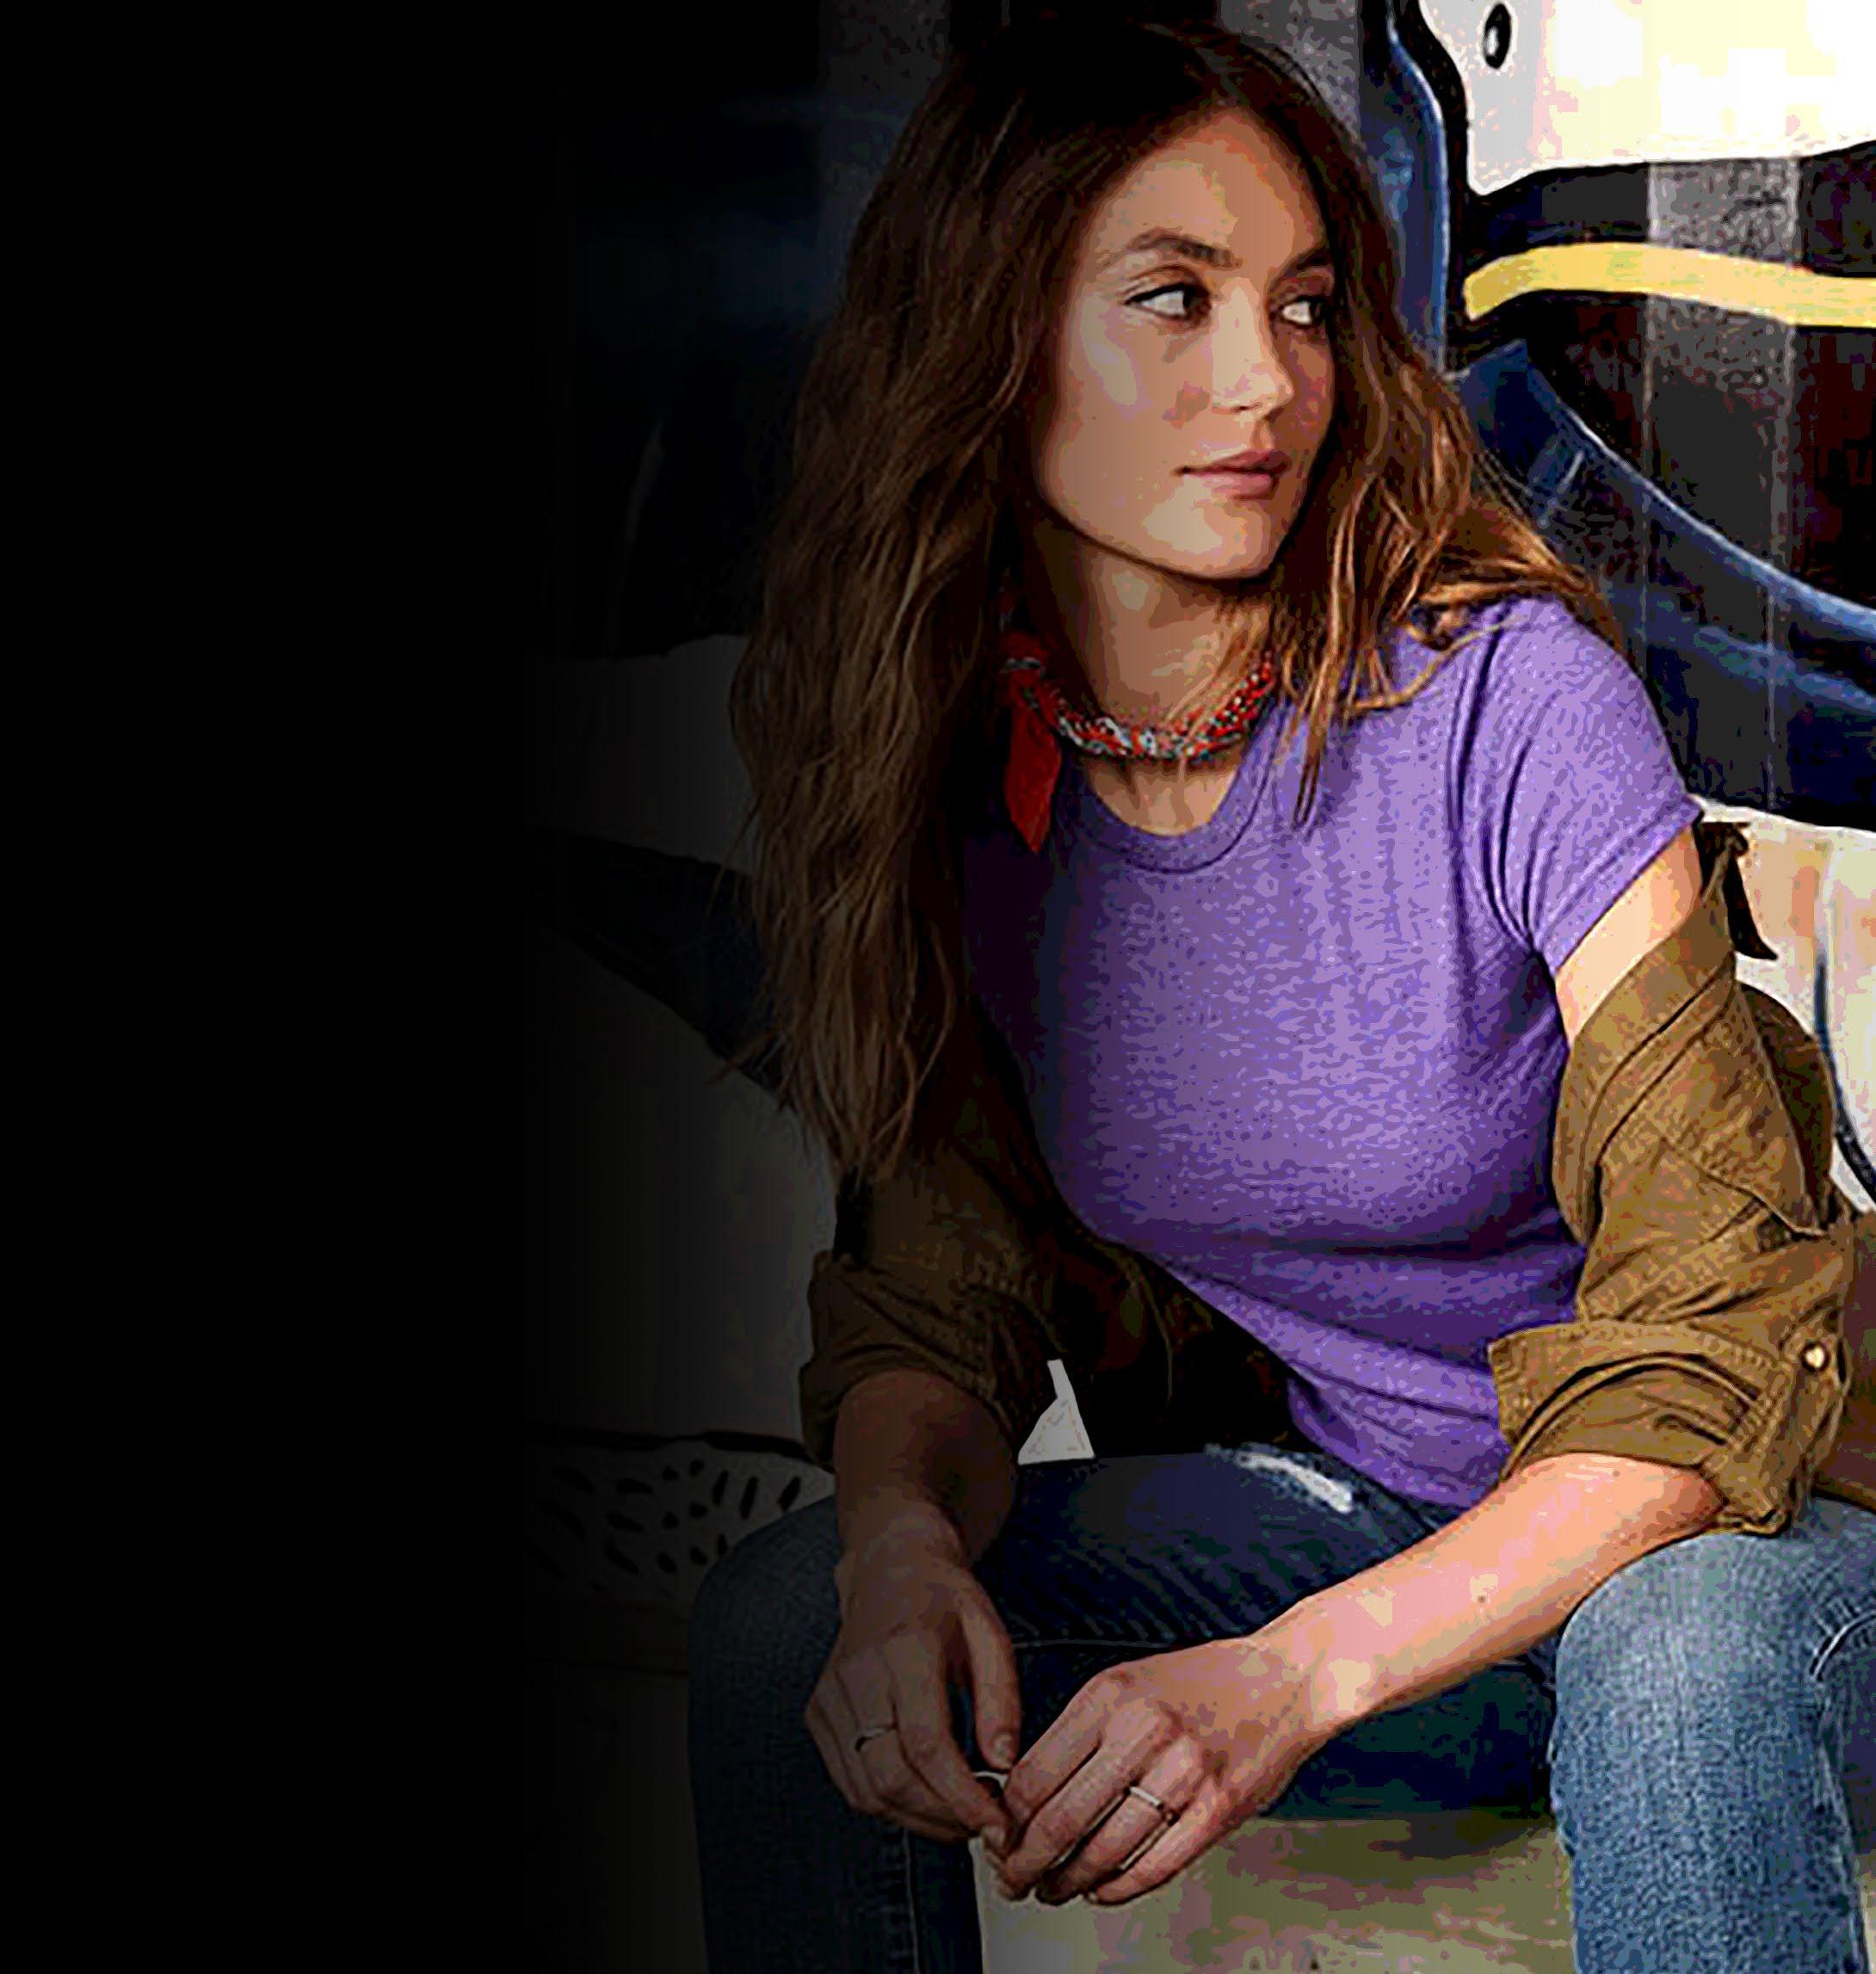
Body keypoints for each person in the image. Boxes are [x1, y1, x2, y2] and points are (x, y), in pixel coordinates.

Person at [683, 18, 1876, 1974]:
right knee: (786, 1622)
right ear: (988, 337)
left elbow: (1711, 1348)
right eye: (1175, 299)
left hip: (1754, 1547)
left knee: (1670, 1655)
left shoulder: (1507, 702)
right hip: (1372, 1529)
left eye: (1305, 306)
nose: (1266, 383)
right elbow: (933, 1294)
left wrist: (1293, 1673)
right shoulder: (961, 790)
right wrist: (899, 1556)